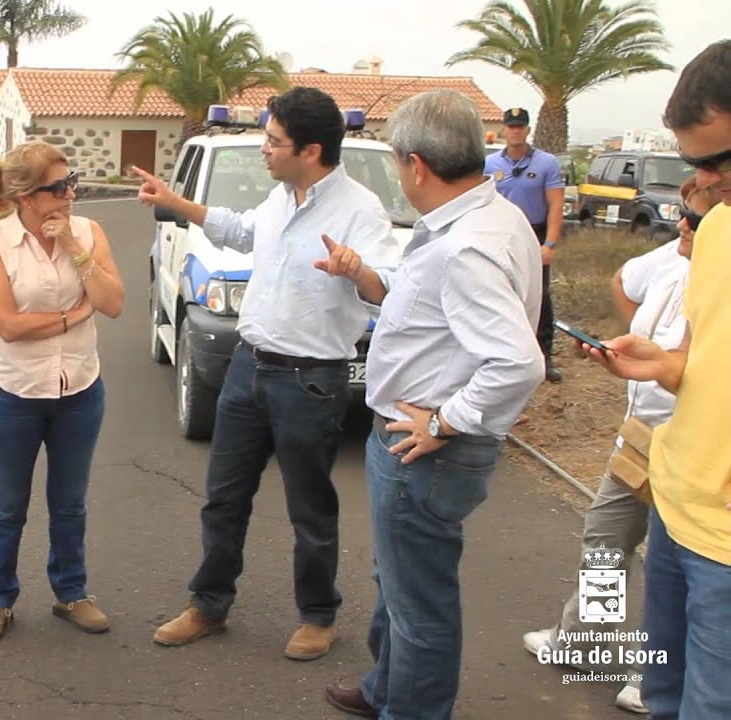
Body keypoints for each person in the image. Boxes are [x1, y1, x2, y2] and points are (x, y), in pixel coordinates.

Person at [135, 87, 398, 660]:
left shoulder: (360, 210)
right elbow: (242, 231)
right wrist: (176, 202)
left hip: (310, 380)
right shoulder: (280, 197)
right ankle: (208, 605)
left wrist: (358, 272)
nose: (265, 151)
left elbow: (389, 288)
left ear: (309, 150)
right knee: (223, 498)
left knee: (310, 508)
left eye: (274, 142)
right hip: (247, 369)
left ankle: (318, 615)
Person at [318, 89, 545, 718]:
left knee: (420, 602)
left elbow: (519, 361)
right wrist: (365, 277)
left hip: (428, 448)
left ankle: (409, 706)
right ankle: (384, 689)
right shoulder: (481, 220)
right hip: (419, 438)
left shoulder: (464, 245)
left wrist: (447, 420)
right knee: (399, 584)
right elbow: (430, 315)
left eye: (396, 162)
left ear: (416, 164)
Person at [522, 177, 717, 715]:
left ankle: (648, 673)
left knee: (669, 564)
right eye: (682, 212)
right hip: (637, 437)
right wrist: (634, 347)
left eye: (697, 220)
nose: (682, 225)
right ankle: (586, 641)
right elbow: (623, 281)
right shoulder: (673, 261)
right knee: (606, 538)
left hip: (693, 447)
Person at [585, 40, 731, 720]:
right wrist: (664, 363)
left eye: (713, 162)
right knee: (604, 546)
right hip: (661, 461)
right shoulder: (711, 236)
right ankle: (585, 636)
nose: (701, 184)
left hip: (724, 547)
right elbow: (696, 353)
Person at [0, 141, 125, 644]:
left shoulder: (88, 232)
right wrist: (72, 315)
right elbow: (9, 325)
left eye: (70, 181)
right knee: (7, 506)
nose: (69, 194)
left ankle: (71, 592)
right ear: (24, 196)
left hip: (79, 389)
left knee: (70, 502)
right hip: (13, 393)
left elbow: (114, 302)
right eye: (56, 188)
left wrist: (77, 252)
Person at [484, 107, 566, 382]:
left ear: (528, 130)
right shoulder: (491, 164)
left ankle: (544, 357)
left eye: (520, 127)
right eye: (511, 126)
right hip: (499, 232)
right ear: (504, 129)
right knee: (499, 293)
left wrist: (550, 243)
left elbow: (555, 204)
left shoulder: (546, 163)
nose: (516, 131)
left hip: (534, 232)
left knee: (539, 295)